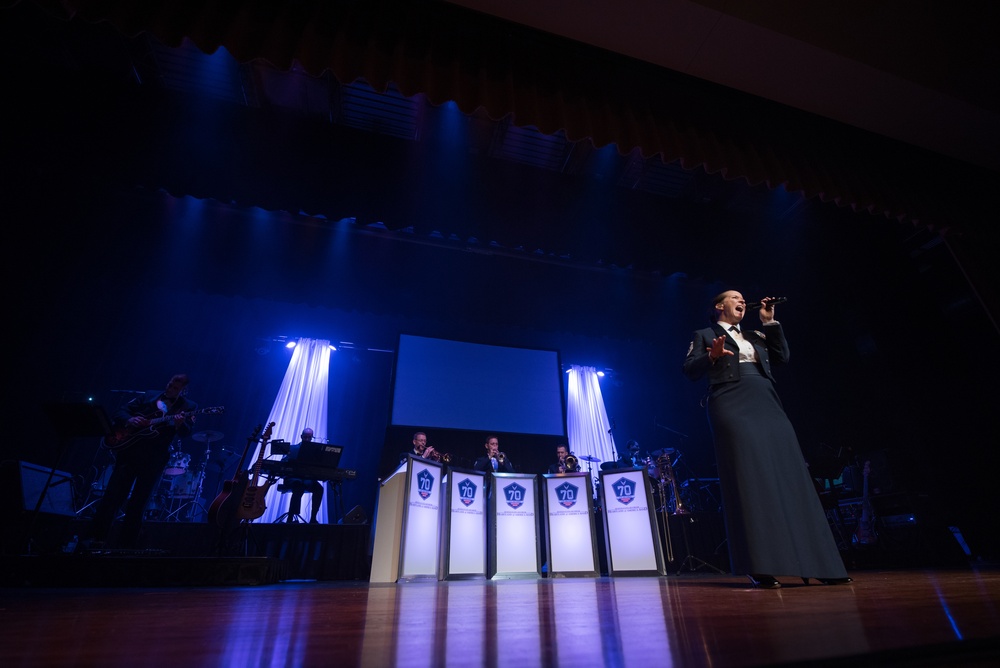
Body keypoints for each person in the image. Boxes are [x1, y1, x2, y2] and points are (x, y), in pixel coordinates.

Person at [682, 290, 852, 589]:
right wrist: (711, 355)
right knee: (749, 478)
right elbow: (690, 370)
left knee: (791, 476)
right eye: (735, 297)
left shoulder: (756, 334)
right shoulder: (705, 334)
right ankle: (760, 565)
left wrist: (771, 324)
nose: (742, 300)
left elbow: (782, 358)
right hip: (731, 403)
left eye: (743, 298)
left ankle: (819, 563)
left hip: (766, 400)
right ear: (719, 306)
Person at [87, 373, 197, 549]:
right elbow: (121, 411)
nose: (170, 388)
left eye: (175, 388)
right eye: (170, 384)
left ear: (184, 391)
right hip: (130, 451)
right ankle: (95, 539)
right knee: (113, 496)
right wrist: (130, 419)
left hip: (154, 457)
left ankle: (125, 546)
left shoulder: (188, 407)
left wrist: (179, 424)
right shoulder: (149, 395)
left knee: (139, 501)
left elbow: (185, 433)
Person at [281, 427, 324, 523]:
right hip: (293, 478)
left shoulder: (315, 453)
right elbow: (283, 462)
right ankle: (290, 518)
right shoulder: (293, 448)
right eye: (305, 437)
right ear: (301, 437)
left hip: (307, 480)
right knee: (298, 487)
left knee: (319, 489)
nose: (307, 439)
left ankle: (313, 518)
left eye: (310, 437)